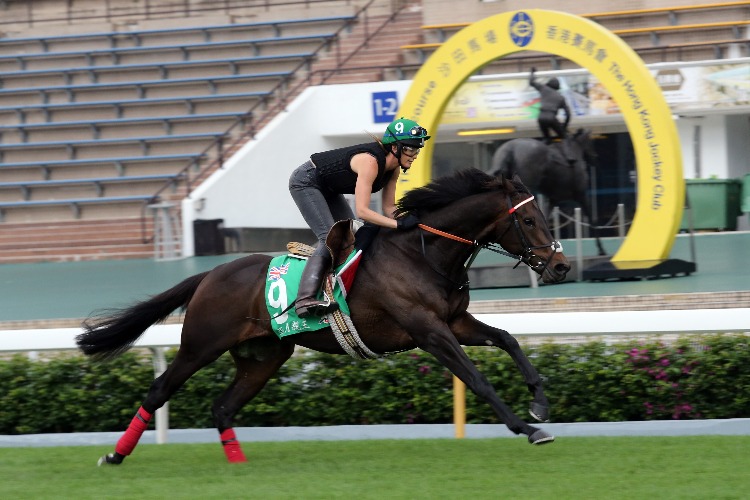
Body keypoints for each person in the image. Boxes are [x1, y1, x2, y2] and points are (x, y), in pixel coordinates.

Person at [288, 117, 430, 318]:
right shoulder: (370, 162)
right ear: (395, 147)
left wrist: (415, 220)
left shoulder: (395, 169)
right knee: (330, 237)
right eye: (411, 148)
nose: (415, 154)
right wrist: (398, 225)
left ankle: (336, 285)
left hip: (329, 189)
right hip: (306, 182)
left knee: (352, 235)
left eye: (417, 149)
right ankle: (304, 299)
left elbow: (389, 207)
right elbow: (363, 211)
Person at [529, 67, 575, 164]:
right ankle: (569, 156)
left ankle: (538, 156)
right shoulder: (560, 97)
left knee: (546, 139)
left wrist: (532, 72)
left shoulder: (543, 89)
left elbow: (531, 82)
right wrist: (564, 126)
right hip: (551, 117)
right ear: (557, 88)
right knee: (565, 137)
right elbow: (568, 114)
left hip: (540, 118)